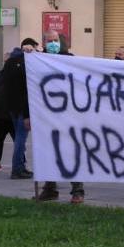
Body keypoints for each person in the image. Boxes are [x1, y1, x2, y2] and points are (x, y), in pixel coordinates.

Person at [37, 30, 86, 204]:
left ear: (60, 41)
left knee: (71, 152)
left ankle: (77, 190)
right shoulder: (36, 59)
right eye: (49, 41)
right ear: (43, 43)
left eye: (55, 40)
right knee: (48, 152)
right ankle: (50, 189)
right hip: (46, 115)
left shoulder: (69, 58)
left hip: (67, 115)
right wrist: (25, 50)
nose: (53, 43)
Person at [0, 38, 38, 179]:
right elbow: (25, 90)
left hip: (12, 107)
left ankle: (20, 166)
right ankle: (17, 169)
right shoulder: (25, 63)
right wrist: (27, 114)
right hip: (22, 108)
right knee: (21, 139)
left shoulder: (10, 62)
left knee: (19, 138)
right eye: (34, 48)